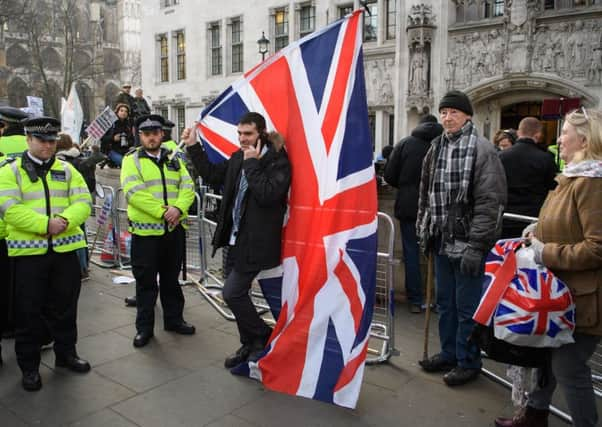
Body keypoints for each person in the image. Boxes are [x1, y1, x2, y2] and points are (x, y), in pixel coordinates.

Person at [494, 108, 602, 427]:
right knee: (548, 358)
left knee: (569, 369)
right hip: (561, 294)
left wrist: (545, 252)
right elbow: (562, 223)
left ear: (584, 138)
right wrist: (535, 232)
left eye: (565, 132)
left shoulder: (592, 183)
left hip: (584, 299)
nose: (560, 138)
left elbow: (597, 247)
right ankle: (535, 415)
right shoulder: (571, 176)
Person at [182, 112, 291, 368]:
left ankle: (262, 335)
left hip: (257, 242)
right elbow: (212, 175)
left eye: (248, 134)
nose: (242, 139)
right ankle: (249, 342)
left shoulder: (277, 160)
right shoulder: (237, 157)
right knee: (235, 293)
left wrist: (252, 164)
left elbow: (268, 194)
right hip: (233, 239)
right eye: (240, 133)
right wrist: (193, 145)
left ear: (261, 133)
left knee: (232, 293)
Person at [416, 90, 507, 386]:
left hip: (468, 243)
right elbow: (426, 194)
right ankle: (449, 352)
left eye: (453, 112)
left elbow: (490, 202)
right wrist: (425, 229)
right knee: (445, 304)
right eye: (443, 112)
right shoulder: (435, 147)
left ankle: (469, 361)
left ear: (467, 115)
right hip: (442, 239)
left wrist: (478, 246)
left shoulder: (482, 149)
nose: (447, 117)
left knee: (467, 306)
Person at [0, 116, 93, 391]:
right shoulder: (10, 170)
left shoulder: (67, 169)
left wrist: (63, 221)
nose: (48, 145)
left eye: (52, 140)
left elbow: (83, 201)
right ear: (28, 140)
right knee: (28, 311)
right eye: (42, 140)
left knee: (65, 307)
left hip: (64, 251)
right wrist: (44, 225)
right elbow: (9, 208)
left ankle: (66, 354)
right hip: (28, 254)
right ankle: (29, 366)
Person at [121, 114, 196, 348]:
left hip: (173, 231)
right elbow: (134, 191)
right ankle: (144, 329)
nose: (151, 138)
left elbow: (188, 185)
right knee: (145, 284)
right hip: (146, 235)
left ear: (161, 135)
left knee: (171, 281)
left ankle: (174, 320)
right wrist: (164, 211)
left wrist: (179, 208)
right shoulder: (131, 160)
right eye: (146, 134)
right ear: (140, 136)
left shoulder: (174, 157)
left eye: (155, 133)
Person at [384, 114, 443, 313]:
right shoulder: (444, 144)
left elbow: (390, 175)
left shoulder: (405, 144)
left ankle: (416, 300)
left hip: (410, 206)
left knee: (411, 253)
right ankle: (440, 301)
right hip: (438, 207)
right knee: (437, 255)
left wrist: (406, 186)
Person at [499, 117, 557, 239]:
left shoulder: (501, 157)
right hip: (533, 219)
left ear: (519, 132)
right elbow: (553, 189)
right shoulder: (546, 159)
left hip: (505, 217)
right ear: (538, 135)